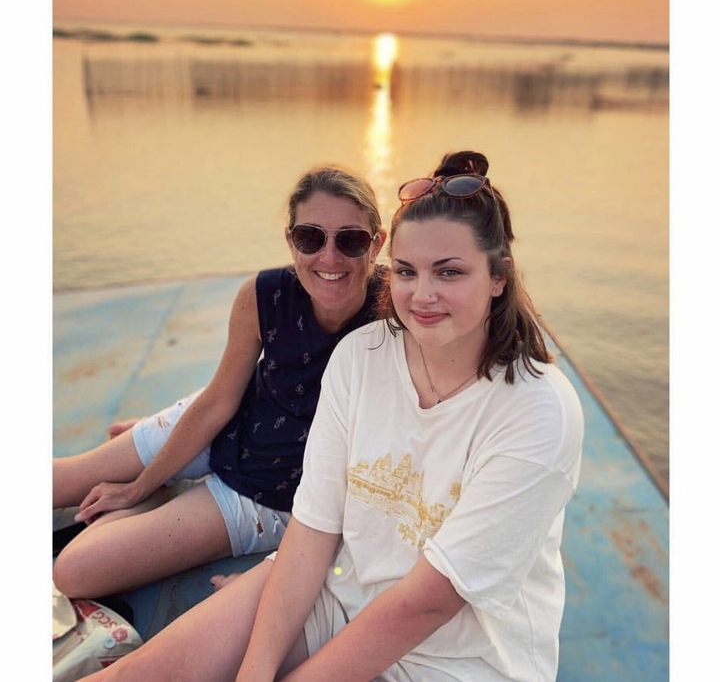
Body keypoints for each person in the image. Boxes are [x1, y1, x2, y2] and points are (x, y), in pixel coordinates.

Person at [80, 149, 584, 682]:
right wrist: (256, 668)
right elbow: (314, 526)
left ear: (498, 277)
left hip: (458, 659)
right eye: (408, 272)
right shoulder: (362, 355)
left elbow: (427, 604)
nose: (424, 294)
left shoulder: (537, 410)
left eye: (451, 271)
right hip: (336, 592)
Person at [52, 165, 388, 600]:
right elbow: (217, 402)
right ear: (291, 240)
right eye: (310, 237)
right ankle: (164, 467)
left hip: (270, 494)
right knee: (58, 482)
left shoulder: (399, 313)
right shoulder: (264, 295)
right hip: (224, 424)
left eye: (351, 239)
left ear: (377, 244)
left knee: (76, 570)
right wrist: (141, 483)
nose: (329, 257)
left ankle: (169, 486)